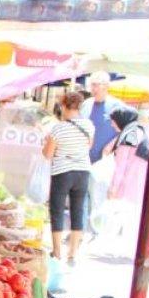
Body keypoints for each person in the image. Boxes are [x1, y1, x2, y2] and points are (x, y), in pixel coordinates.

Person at [42, 92, 94, 265]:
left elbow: (48, 154)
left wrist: (46, 144)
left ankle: (57, 251)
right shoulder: (89, 126)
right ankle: (73, 252)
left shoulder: (58, 128)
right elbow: (88, 147)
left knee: (57, 210)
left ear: (63, 106)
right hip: (83, 172)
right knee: (77, 210)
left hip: (62, 172)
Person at [80, 72, 130, 234]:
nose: (93, 89)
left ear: (106, 86)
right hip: (84, 156)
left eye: (96, 85)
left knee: (99, 193)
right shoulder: (86, 104)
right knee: (82, 192)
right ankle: (81, 228)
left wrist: (112, 144)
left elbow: (128, 129)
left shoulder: (118, 106)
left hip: (105, 159)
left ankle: (99, 227)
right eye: (91, 85)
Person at [105, 107, 149, 238]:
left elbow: (121, 164)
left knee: (126, 215)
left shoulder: (131, 134)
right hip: (137, 179)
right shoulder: (136, 129)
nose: (112, 124)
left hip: (130, 180)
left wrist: (113, 187)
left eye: (113, 121)